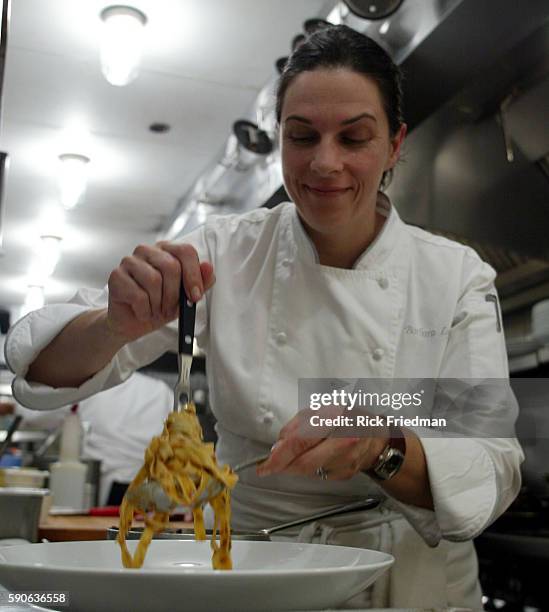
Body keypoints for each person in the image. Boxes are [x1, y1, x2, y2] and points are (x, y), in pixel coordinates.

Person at [4, 25, 523, 608]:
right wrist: (114, 326)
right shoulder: (227, 250)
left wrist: (380, 446)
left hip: (412, 584)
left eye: (354, 138)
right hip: (256, 569)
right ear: (281, 140)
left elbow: (491, 465)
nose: (325, 163)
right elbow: (41, 372)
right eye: (303, 136)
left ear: (395, 144)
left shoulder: (455, 277)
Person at [12, 372, 173, 505]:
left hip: (103, 491)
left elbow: (33, 414)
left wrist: (11, 406)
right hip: (150, 491)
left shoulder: (92, 384)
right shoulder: (161, 390)